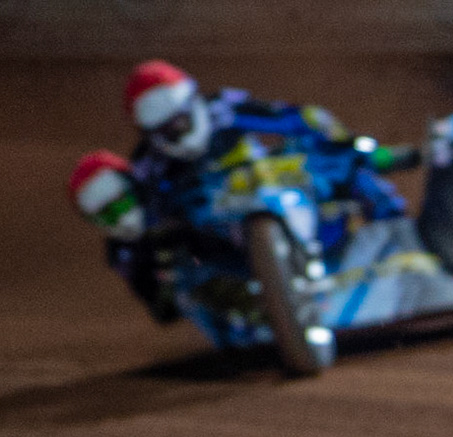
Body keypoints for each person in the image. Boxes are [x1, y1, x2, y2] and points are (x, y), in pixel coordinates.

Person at [75, 60, 425, 321]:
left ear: (191, 105)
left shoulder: (223, 109)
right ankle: (249, 311)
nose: (177, 132)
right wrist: (159, 269)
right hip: (225, 239)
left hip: (279, 185)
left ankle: (408, 240)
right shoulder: (148, 165)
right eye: (166, 131)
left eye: (180, 122)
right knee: (179, 258)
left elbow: (299, 119)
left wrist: (349, 146)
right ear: (150, 133)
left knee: (346, 164)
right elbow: (145, 219)